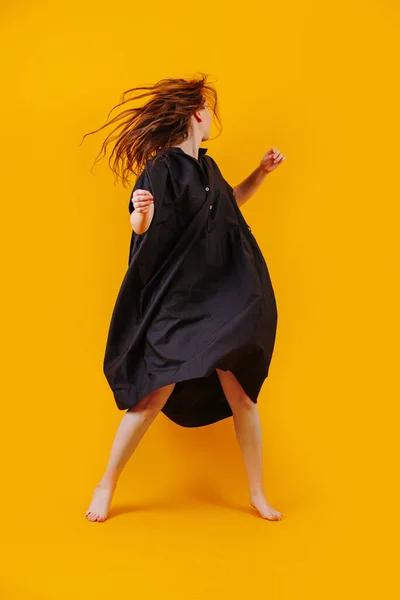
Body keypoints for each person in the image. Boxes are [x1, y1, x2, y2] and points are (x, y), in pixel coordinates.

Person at [82, 73, 286, 522]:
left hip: (215, 299)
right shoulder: (162, 168)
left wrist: (262, 172)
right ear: (196, 114)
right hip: (178, 301)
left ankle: (257, 493)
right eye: (209, 110)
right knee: (153, 397)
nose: (212, 117)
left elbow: (230, 203)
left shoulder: (208, 170)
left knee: (243, 395)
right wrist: (141, 216)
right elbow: (141, 226)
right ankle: (107, 483)